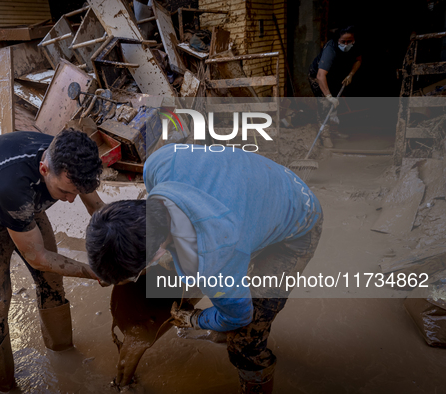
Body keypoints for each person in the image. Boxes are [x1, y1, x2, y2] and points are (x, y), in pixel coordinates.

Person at [86, 144, 323, 394]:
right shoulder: (159, 163)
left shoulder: (213, 260)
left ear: (156, 254)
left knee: (245, 341)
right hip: (261, 185)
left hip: (298, 220)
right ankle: (221, 329)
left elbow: (240, 315)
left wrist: (194, 318)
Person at [0, 129, 104, 392]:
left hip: (25, 205)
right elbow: (39, 258)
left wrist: (125, 248)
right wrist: (93, 272)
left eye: (76, 192)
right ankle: (6, 386)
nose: (70, 201)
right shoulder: (14, 184)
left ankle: (64, 352)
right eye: (64, 192)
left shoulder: (72, 162)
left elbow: (98, 210)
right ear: (44, 168)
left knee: (52, 283)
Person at [308, 26, 362, 147]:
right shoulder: (330, 50)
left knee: (336, 102)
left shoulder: (355, 46)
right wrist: (328, 96)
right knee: (325, 103)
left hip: (335, 75)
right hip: (318, 76)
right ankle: (325, 135)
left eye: (349, 41)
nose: (346, 44)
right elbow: (320, 76)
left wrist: (351, 74)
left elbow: (358, 60)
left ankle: (334, 130)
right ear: (338, 40)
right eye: (343, 41)